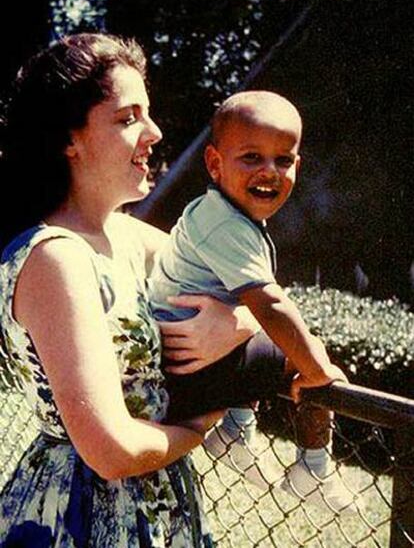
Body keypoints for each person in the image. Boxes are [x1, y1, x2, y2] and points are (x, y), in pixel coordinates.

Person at [0, 32, 262, 547]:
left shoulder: (125, 235)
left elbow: (257, 285)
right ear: (68, 139)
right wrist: (198, 428)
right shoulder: (56, 257)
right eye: (128, 118)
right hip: (80, 514)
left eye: (148, 113)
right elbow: (111, 449)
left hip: (159, 505)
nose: (154, 131)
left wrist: (237, 322)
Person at [148, 91, 358, 513]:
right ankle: (313, 471)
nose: (270, 171)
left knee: (261, 333)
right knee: (302, 349)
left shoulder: (220, 213)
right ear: (214, 164)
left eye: (283, 160)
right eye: (251, 157)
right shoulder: (227, 225)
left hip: (181, 360)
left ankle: (236, 429)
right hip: (186, 366)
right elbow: (272, 306)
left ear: (297, 166)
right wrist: (318, 371)